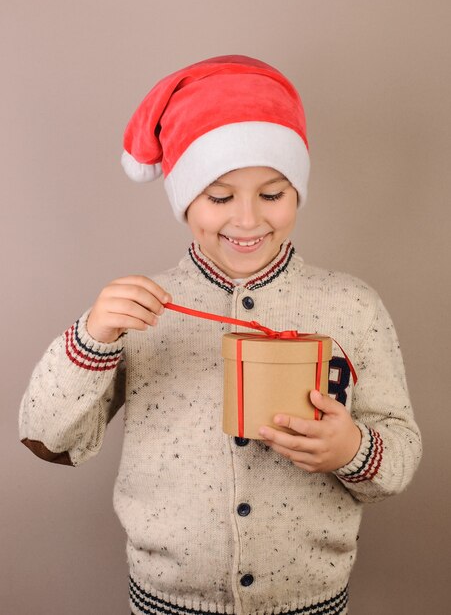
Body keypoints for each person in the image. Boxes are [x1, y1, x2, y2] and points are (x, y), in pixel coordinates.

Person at [19, 55, 422, 615]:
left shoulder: (352, 306)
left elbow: (400, 455)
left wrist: (351, 449)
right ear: (185, 197)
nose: (249, 219)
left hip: (311, 602)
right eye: (220, 196)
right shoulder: (139, 312)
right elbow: (49, 439)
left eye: (273, 194)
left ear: (298, 192)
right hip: (166, 602)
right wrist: (92, 336)